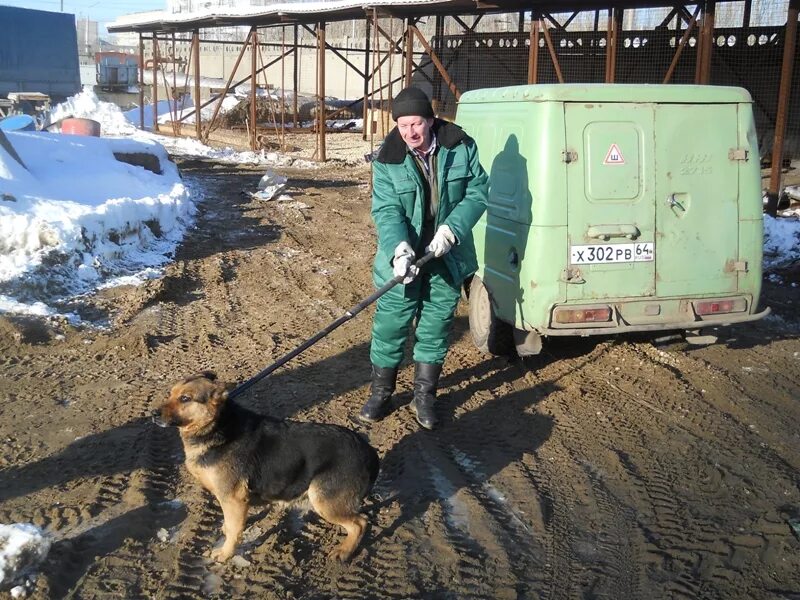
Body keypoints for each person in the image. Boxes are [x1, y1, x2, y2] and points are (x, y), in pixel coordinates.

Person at [358, 87, 488, 430]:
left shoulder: (460, 146)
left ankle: (424, 395)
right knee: (391, 324)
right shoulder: (387, 159)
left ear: (430, 121)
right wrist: (399, 249)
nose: (410, 133)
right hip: (405, 257)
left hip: (446, 255)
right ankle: (381, 391)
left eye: (416, 124)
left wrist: (452, 229)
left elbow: (477, 192)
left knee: (436, 326)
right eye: (403, 126)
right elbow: (386, 210)